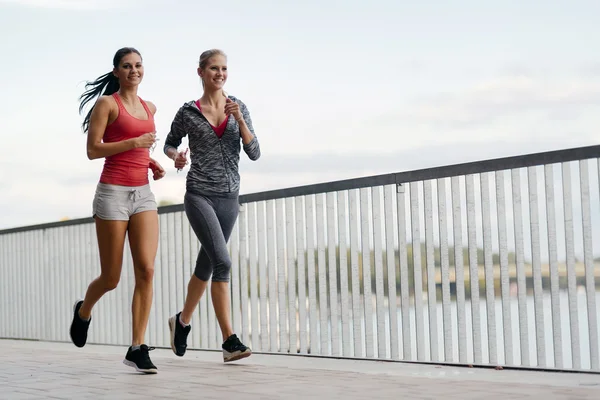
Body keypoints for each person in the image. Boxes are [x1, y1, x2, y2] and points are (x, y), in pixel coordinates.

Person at [69, 47, 165, 374]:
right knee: (111, 277)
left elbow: (138, 149)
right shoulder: (107, 104)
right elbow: (93, 150)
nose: (133, 70)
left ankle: (137, 347)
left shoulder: (150, 108)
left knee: (147, 270)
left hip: (143, 195)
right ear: (116, 72)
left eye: (138, 65)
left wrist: (151, 161)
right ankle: (84, 310)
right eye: (127, 66)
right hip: (112, 194)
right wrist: (134, 145)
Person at [163, 49, 260, 362]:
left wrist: (240, 120)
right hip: (200, 195)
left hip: (230, 199)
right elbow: (169, 143)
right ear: (201, 72)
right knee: (224, 263)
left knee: (206, 266)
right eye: (214, 68)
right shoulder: (188, 112)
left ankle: (182, 322)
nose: (220, 74)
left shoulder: (238, 107)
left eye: (224, 69)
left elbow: (255, 152)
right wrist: (175, 157)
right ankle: (229, 341)